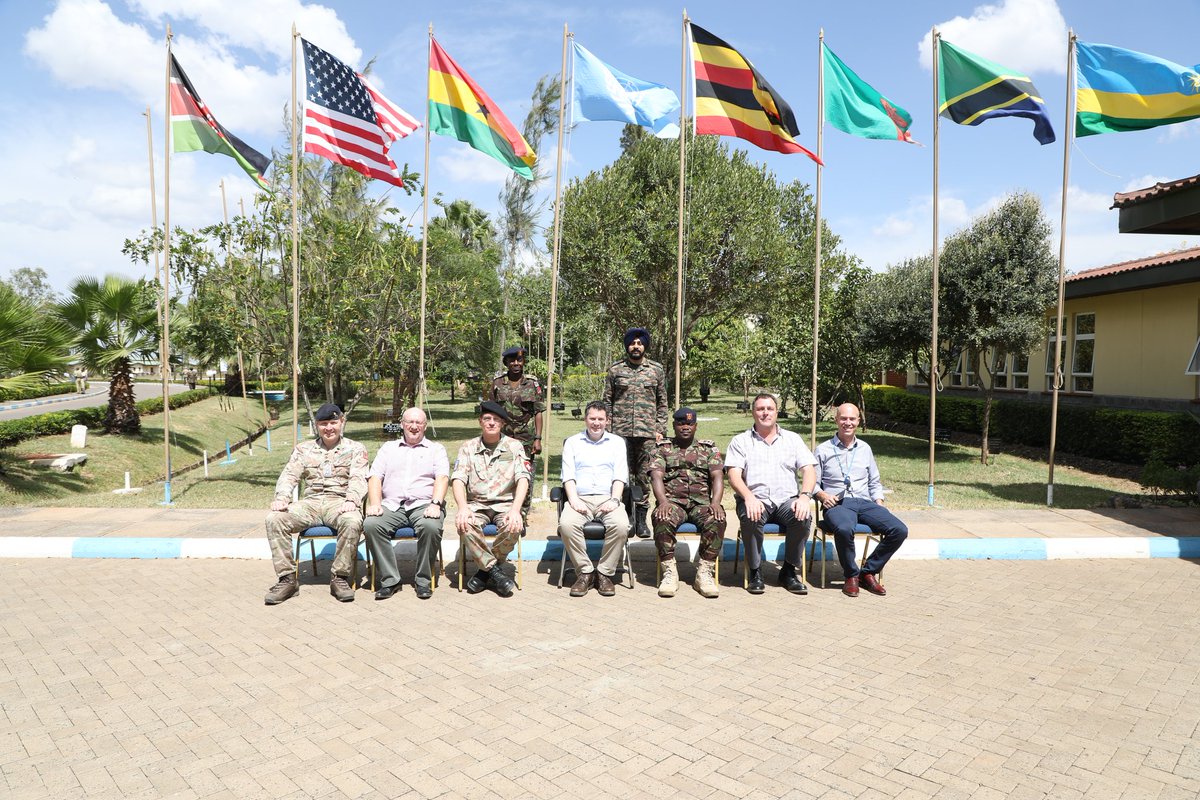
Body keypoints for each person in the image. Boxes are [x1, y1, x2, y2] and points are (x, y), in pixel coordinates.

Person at [264, 403, 369, 605]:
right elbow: (289, 475)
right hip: (310, 504)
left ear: (342, 422)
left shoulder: (355, 449)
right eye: (323, 424)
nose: (329, 428)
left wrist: (352, 500)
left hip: (339, 502)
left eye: (333, 422)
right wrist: (282, 498)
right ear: (317, 426)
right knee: (274, 519)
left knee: (352, 520)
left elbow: (359, 478)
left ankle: (340, 577)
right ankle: (287, 579)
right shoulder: (304, 449)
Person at [724, 393, 816, 596]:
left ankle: (789, 571)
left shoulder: (792, 439)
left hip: (786, 501)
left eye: (769, 409)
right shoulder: (741, 441)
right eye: (760, 409)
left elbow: (809, 470)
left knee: (803, 517)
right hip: (756, 499)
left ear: (776, 412)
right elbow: (733, 475)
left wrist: (804, 497)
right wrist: (748, 497)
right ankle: (755, 572)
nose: (765, 413)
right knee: (751, 516)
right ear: (753, 412)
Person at [814, 403, 909, 597]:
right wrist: (823, 496)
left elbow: (874, 481)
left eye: (852, 419)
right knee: (844, 528)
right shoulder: (823, 450)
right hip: (838, 504)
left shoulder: (865, 449)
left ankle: (867, 572)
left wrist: (879, 503)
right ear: (836, 420)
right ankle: (851, 575)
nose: (847, 423)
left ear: (858, 421)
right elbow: (811, 484)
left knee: (899, 530)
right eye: (843, 418)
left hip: (865, 503)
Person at [363, 407, 448, 601]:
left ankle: (423, 581)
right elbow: (375, 477)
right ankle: (390, 580)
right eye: (410, 422)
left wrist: (435, 504)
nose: (414, 426)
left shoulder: (436, 449)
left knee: (430, 526)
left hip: (424, 504)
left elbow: (442, 478)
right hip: (392, 505)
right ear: (402, 424)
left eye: (419, 423)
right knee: (371, 524)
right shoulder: (388, 448)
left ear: (425, 426)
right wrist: (375, 503)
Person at [451, 401, 530, 597]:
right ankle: (495, 571)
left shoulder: (514, 446)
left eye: (496, 420)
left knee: (513, 526)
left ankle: (484, 573)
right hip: (476, 505)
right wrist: (462, 507)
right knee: (465, 524)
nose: (492, 423)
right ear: (480, 422)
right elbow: (458, 479)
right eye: (487, 419)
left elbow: (523, 478)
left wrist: (515, 510)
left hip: (505, 505)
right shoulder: (468, 448)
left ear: (502, 424)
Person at [649, 407, 726, 598]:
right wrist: (662, 501)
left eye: (689, 424)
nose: (685, 427)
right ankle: (669, 572)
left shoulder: (708, 449)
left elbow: (717, 476)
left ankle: (704, 572)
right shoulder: (663, 449)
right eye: (681, 423)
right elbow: (656, 476)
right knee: (662, 517)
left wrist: (715, 502)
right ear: (674, 425)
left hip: (701, 504)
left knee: (717, 519)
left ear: (696, 426)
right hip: (673, 502)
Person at [558, 401, 629, 597]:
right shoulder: (573, 442)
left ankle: (604, 573)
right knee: (566, 524)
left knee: (621, 525)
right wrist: (573, 499)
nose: (596, 423)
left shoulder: (617, 442)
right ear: (585, 419)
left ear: (607, 420)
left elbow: (619, 476)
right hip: (580, 497)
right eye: (592, 418)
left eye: (600, 419)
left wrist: (615, 500)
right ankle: (585, 572)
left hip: (608, 497)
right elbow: (568, 475)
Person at [602, 326, 667, 539]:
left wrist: (660, 429)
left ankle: (641, 521)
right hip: (619, 433)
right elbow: (607, 401)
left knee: (644, 476)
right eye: (632, 343)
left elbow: (662, 402)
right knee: (622, 476)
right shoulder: (615, 370)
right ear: (627, 346)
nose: (636, 346)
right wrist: (608, 429)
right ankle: (626, 518)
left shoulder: (656, 370)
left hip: (647, 433)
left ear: (645, 346)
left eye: (639, 343)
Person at [490, 345, 544, 460]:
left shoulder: (532, 383)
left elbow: (538, 412)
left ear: (523, 361)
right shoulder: (497, 383)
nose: (516, 363)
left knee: (525, 473)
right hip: (503, 438)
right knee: (504, 473)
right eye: (512, 361)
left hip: (526, 439)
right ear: (506, 363)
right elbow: (491, 412)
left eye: (519, 360)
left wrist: (538, 439)